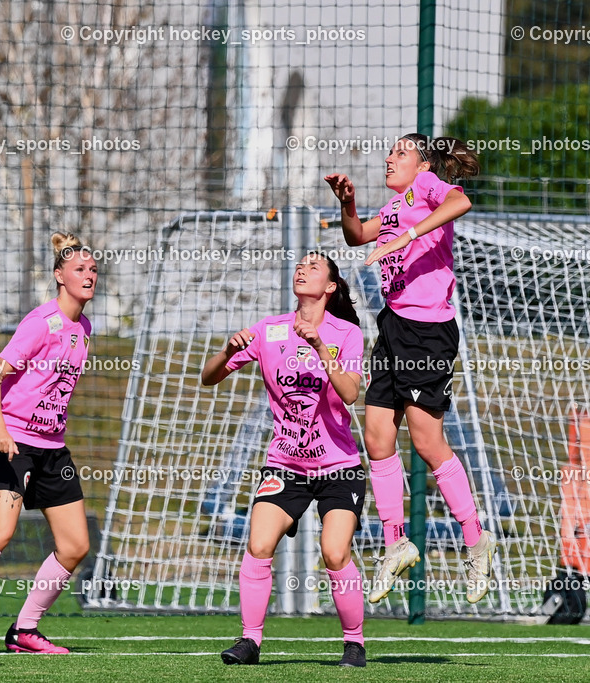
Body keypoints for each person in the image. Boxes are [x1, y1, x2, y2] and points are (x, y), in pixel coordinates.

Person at [324, 133, 493, 605]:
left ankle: (476, 539)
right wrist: (349, 204)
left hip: (428, 332)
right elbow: (358, 235)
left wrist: (409, 235)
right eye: (390, 152)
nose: (389, 158)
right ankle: (395, 541)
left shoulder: (431, 188)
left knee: (426, 441)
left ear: (422, 164)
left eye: (400, 153)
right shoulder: (397, 207)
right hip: (394, 327)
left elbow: (462, 202)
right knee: (377, 437)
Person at [202, 252, 367, 667]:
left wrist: (318, 346)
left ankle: (354, 644)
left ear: (330, 287)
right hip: (285, 466)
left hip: (339, 467)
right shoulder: (269, 329)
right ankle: (249, 642)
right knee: (258, 544)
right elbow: (209, 377)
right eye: (301, 263)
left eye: (314, 266)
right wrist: (227, 350)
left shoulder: (346, 333)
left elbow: (350, 393)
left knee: (334, 552)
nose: (302, 268)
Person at [0, 233, 96, 655]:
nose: (89, 275)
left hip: (52, 448)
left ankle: (24, 630)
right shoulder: (39, 323)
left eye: (93, 269)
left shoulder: (83, 327)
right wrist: (2, 430)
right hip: (14, 444)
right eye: (80, 269)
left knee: (75, 545)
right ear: (59, 276)